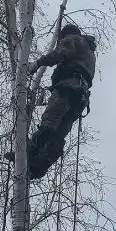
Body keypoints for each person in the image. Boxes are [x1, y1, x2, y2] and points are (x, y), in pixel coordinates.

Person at [25, 23, 96, 180]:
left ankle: (27, 154)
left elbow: (61, 53)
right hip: (79, 98)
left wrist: (37, 64)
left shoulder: (73, 39)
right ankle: (38, 167)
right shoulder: (89, 52)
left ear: (64, 35)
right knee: (58, 134)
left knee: (49, 123)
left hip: (67, 88)